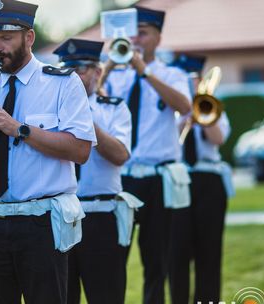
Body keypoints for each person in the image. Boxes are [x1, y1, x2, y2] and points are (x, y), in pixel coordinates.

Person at [0, 1, 96, 303]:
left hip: (40, 223)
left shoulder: (63, 83)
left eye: (6, 38)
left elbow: (80, 150)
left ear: (29, 37)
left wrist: (20, 129)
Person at [102, 6, 192, 304]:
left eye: (142, 33)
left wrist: (146, 72)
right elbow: (88, 99)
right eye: (132, 33)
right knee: (113, 259)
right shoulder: (115, 76)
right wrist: (108, 67)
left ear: (157, 37)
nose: (135, 39)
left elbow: (184, 105)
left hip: (157, 180)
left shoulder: (171, 74)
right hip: (122, 179)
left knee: (156, 261)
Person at [53, 38, 135, 304]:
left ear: (98, 72)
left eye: (80, 68)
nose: (72, 75)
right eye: (67, 68)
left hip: (100, 216)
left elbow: (120, 155)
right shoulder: (52, 109)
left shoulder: (114, 108)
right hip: (60, 216)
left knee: (106, 296)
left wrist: (86, 120)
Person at [169, 54, 234, 304]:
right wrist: (184, 120)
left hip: (209, 180)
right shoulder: (168, 109)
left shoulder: (212, 104)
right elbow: (166, 143)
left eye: (194, 79)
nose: (189, 83)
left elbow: (218, 139)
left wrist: (202, 114)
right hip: (179, 178)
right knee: (177, 253)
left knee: (209, 253)